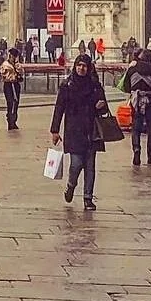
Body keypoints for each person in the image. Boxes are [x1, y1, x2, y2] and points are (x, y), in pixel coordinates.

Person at [51, 53, 109, 210]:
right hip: (74, 129)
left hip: (92, 130)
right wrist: (55, 130)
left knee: (90, 166)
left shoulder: (95, 85)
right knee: (76, 164)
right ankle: (71, 185)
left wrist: (100, 106)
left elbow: (104, 107)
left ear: (89, 68)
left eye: (84, 66)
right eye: (79, 65)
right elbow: (59, 108)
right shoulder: (67, 85)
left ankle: (88, 198)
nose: (81, 68)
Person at [128, 48, 151, 166]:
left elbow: (126, 86)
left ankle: (136, 150)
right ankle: (150, 156)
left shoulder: (132, 70)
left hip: (136, 102)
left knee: (135, 128)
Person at [0, 47, 23, 130]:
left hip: (16, 85)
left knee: (16, 103)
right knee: (10, 103)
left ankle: (14, 120)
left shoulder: (17, 64)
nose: (14, 57)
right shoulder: (5, 64)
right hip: (8, 85)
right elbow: (2, 75)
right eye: (13, 56)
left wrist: (18, 72)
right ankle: (10, 121)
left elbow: (21, 73)